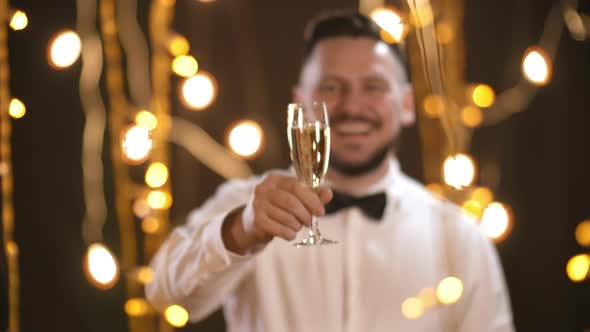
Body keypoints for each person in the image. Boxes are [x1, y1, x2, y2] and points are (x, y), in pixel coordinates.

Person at [146, 10, 514, 332]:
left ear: (405, 105)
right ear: (300, 101)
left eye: (374, 86)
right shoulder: (244, 204)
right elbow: (163, 291)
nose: (353, 106)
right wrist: (242, 231)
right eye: (331, 87)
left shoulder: (457, 235)